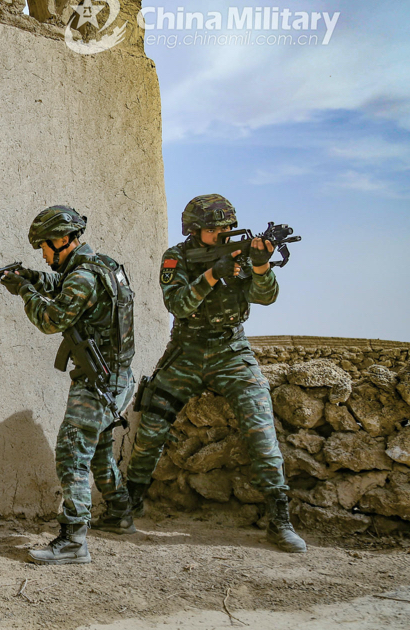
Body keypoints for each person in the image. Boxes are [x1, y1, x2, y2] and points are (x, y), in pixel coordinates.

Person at [125, 194, 306, 553]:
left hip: (231, 350)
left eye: (226, 228)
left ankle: (279, 518)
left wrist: (260, 266)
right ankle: (129, 503)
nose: (222, 234)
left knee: (260, 422)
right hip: (186, 349)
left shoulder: (240, 252)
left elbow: (265, 297)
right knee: (152, 422)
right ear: (193, 231)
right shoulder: (176, 257)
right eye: (213, 230)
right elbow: (178, 304)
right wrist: (212, 275)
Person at [0, 205, 137, 565]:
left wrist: (24, 292)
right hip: (118, 378)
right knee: (101, 448)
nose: (43, 256)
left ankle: (74, 540)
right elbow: (62, 285)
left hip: (97, 381)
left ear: (63, 240)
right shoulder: (103, 265)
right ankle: (121, 512)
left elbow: (51, 318)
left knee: (72, 452)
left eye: (44, 248)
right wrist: (29, 276)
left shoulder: (83, 277)